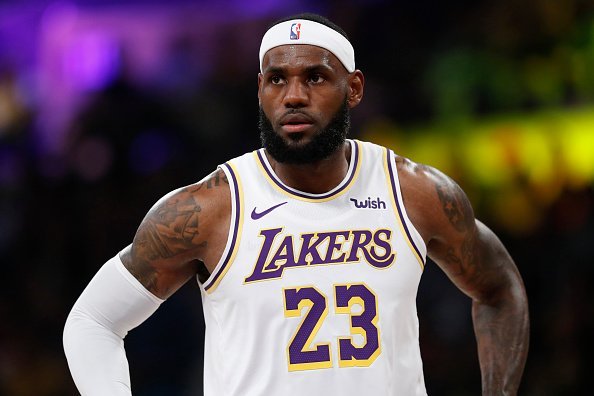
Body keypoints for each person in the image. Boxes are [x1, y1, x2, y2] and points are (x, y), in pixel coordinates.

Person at [63, 13, 529, 395]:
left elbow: (500, 286)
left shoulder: (415, 192)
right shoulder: (210, 208)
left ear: (355, 88)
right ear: (260, 90)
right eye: (277, 79)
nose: (294, 97)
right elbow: (92, 320)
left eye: (316, 77)